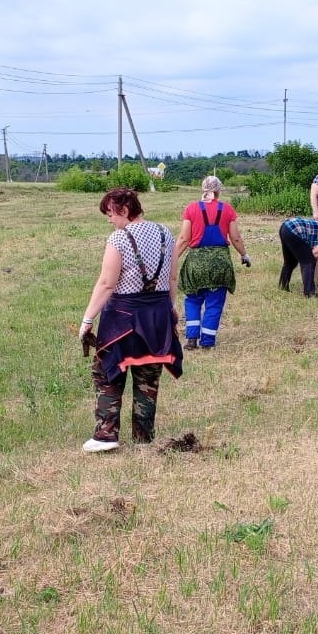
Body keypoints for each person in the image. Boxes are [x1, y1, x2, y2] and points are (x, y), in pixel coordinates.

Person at [78, 188, 183, 453]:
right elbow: (171, 278)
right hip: (158, 316)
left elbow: (106, 283)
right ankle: (143, 436)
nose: (109, 220)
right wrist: (171, 307)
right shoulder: (165, 234)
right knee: (148, 376)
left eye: (111, 214)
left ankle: (106, 435)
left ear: (124, 210)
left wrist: (88, 318)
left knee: (108, 373)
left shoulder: (119, 239)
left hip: (122, 321)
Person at [174, 175, 250, 351]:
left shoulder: (191, 209)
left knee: (192, 300)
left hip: (196, 262)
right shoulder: (227, 210)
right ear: (218, 191)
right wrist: (244, 255)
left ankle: (192, 339)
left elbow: (185, 238)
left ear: (203, 189)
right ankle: (207, 342)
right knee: (214, 303)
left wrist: (172, 260)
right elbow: (236, 237)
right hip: (220, 263)